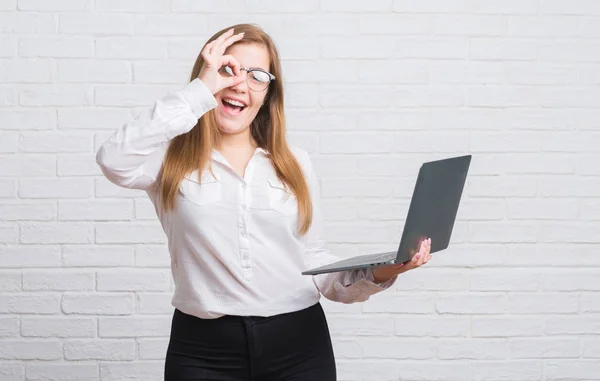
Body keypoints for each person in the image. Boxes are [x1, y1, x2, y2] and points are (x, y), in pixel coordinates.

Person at [96, 23, 431, 381]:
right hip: (202, 350)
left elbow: (314, 262)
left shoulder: (294, 163)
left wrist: (382, 271)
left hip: (300, 347)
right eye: (228, 69)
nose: (240, 84)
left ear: (269, 93)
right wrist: (201, 92)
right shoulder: (169, 161)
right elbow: (113, 159)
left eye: (257, 75)